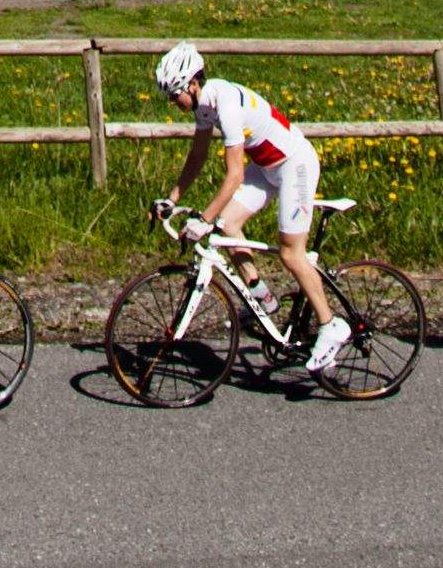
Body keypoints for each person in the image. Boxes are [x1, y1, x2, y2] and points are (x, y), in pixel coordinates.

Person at [149, 41, 353, 375]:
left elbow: (235, 176)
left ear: (193, 84)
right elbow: (198, 156)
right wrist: (171, 199)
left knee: (290, 253)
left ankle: (331, 325)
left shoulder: (226, 105)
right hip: (267, 167)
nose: (172, 103)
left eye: (174, 95)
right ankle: (263, 298)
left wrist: (203, 219)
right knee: (227, 226)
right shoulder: (205, 105)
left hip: (295, 165)